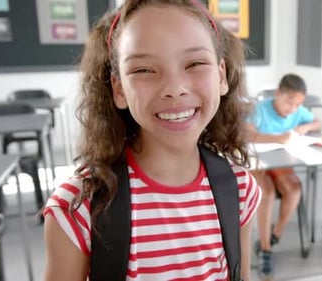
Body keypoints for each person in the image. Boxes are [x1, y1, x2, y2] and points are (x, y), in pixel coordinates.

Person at [42, 1, 261, 280]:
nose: (174, 89)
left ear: (220, 75)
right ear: (119, 88)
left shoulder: (240, 190)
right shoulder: (77, 209)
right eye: (143, 70)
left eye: (195, 63)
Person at [246, 73, 322, 277]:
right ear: (278, 93)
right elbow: (247, 134)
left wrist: (306, 126)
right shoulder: (260, 109)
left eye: (298, 104)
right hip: (257, 162)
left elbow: (318, 122)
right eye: (289, 101)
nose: (293, 109)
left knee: (294, 188)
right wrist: (279, 138)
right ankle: (265, 249)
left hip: (280, 164)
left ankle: (274, 236)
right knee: (266, 193)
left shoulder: (298, 112)